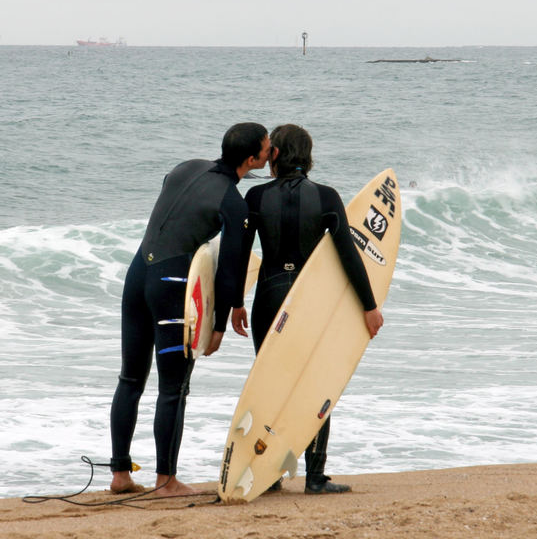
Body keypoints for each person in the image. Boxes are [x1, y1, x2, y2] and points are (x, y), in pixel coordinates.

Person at [109, 122, 271, 496]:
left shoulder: (186, 166)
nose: (271, 150)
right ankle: (166, 481)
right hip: (171, 288)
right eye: (267, 147)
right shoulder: (232, 201)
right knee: (173, 388)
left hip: (137, 275)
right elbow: (230, 265)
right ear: (251, 160)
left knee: (130, 379)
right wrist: (219, 323)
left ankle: (120, 474)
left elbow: (172, 194)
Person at [232, 123, 383, 494]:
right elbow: (349, 255)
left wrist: (236, 303)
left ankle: (265, 477)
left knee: (269, 385)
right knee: (315, 384)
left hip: (268, 298)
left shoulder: (254, 196)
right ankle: (315, 476)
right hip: (308, 301)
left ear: (276, 155)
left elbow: (238, 256)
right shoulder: (327, 197)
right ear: (309, 155)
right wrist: (369, 306)